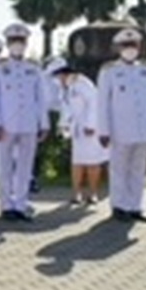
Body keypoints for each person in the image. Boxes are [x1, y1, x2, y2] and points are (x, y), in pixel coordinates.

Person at [97, 27, 146, 223]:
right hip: (119, 130)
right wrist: (104, 130)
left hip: (143, 129)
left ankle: (135, 206)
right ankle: (119, 206)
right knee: (119, 169)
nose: (130, 49)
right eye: (126, 45)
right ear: (118, 48)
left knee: (138, 169)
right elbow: (103, 104)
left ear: (139, 47)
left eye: (133, 45)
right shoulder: (110, 72)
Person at [0, 23, 50, 222]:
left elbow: (40, 97)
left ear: (26, 43)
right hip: (6, 125)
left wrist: (44, 123)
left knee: (25, 166)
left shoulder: (33, 68)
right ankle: (6, 205)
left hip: (29, 124)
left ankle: (21, 204)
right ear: (7, 44)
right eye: (14, 42)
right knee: (5, 165)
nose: (18, 45)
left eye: (21, 42)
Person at [48, 57, 107, 205]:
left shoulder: (82, 83)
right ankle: (76, 194)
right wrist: (63, 126)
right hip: (77, 131)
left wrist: (90, 124)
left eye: (57, 76)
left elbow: (94, 103)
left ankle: (93, 193)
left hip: (91, 130)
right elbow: (66, 109)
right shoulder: (66, 88)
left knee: (93, 162)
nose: (56, 80)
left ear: (63, 73)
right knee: (77, 162)